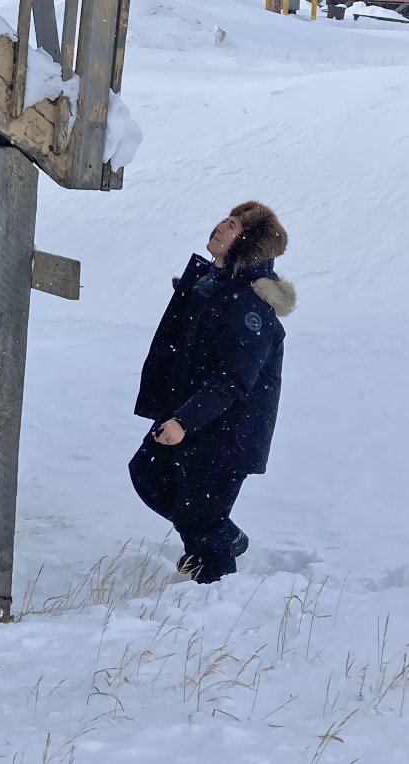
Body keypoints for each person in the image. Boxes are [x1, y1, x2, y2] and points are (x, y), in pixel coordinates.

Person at [129, 201, 294, 582]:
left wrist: (184, 421)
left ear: (247, 244)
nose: (220, 227)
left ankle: (212, 583)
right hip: (194, 416)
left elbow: (232, 379)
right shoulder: (212, 286)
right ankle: (221, 537)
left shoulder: (250, 305)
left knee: (200, 513)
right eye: (224, 220)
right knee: (149, 475)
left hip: (228, 432)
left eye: (232, 226)